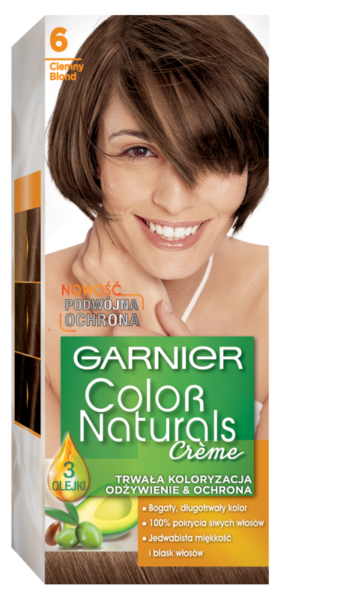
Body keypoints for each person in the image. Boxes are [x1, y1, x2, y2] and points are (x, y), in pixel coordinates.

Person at [45, 14, 270, 457]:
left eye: (212, 150)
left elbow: (225, 504)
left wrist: (143, 325)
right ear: (93, 157)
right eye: (139, 150)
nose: (173, 199)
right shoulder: (30, 308)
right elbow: (53, 501)